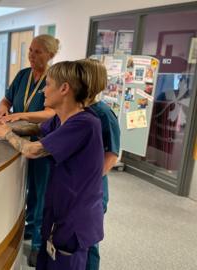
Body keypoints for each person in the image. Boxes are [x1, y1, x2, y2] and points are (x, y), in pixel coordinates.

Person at [0, 61, 104, 269]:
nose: (43, 90)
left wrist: (7, 134)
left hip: (75, 217)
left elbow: (34, 150)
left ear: (64, 88)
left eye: (48, 84)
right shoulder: (62, 119)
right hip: (58, 210)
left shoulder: (85, 123)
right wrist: (6, 127)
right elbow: (36, 128)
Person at [0, 34, 59, 265]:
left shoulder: (55, 78)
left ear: (50, 55)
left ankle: (39, 245)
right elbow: (6, 100)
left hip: (41, 143)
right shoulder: (22, 75)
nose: (31, 55)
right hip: (17, 141)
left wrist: (22, 114)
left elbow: (52, 113)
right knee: (24, 188)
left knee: (40, 193)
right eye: (30, 50)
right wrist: (3, 111)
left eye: (38, 51)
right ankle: (30, 227)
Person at [77, 59, 120, 270]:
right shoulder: (78, 110)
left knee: (88, 241)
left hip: (92, 191)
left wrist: (89, 183)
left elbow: (112, 155)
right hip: (75, 188)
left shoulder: (103, 114)